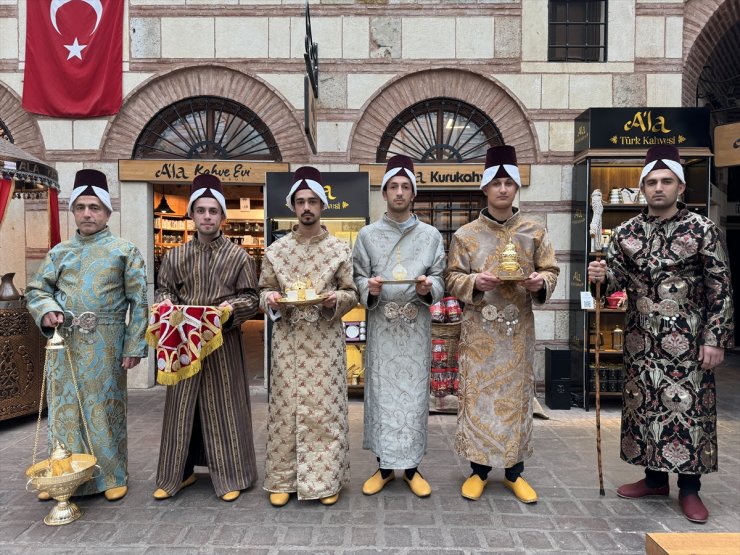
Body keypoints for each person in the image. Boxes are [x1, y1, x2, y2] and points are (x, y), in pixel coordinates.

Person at [587, 145, 733, 523]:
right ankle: (654, 479)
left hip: (688, 339)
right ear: (642, 188)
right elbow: (617, 281)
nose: (658, 188)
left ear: (680, 187)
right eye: (651, 182)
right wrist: (603, 278)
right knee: (644, 405)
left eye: (666, 181)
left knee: (688, 410)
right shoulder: (626, 233)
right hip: (640, 340)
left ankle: (689, 488)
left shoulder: (703, 230)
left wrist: (716, 338)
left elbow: (721, 287)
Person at [445, 145, 559, 503]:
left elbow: (552, 271)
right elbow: (450, 278)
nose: (503, 189)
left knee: (517, 400)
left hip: (516, 332)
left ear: (516, 189)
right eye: (496, 183)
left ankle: (514, 472)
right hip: (480, 332)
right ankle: (478, 471)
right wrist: (473, 283)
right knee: (478, 399)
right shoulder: (465, 235)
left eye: (509, 182)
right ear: (485, 188)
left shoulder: (534, 232)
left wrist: (541, 283)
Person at [26, 169, 148, 501]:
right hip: (63, 343)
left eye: (94, 207)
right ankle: (63, 475)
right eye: (80, 207)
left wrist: (134, 343)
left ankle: (111, 475)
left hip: (105, 343)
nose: (87, 214)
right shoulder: (59, 252)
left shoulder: (125, 251)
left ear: (108, 212)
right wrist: (47, 309)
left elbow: (139, 301)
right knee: (65, 410)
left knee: (102, 409)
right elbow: (37, 290)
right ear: (73, 211)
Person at [152, 174, 260, 502]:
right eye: (201, 210)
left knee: (224, 405)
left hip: (222, 344)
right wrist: (166, 302)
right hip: (183, 343)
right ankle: (178, 474)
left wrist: (230, 310)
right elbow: (164, 290)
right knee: (181, 408)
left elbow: (251, 298)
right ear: (193, 215)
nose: (207, 217)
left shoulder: (239, 257)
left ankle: (231, 476)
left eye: (213, 211)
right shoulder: (174, 256)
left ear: (222, 216)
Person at [259, 166, 359, 507]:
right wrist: (270, 299)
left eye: (312, 201)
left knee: (325, 411)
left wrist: (337, 300)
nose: (306, 207)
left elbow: (352, 291)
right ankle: (282, 481)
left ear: (322, 205)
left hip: (325, 340)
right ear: (292, 206)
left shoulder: (339, 249)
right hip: (287, 341)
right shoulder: (276, 250)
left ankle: (325, 482)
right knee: (286, 410)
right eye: (300, 201)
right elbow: (265, 290)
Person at [352, 154, 445, 498]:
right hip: (383, 327)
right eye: (394, 186)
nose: (400, 192)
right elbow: (357, 277)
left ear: (414, 193)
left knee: (413, 398)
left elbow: (440, 278)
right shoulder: (367, 235)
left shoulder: (431, 235)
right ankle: (384, 468)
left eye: (406, 186)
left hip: (415, 328)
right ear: (385, 192)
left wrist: (428, 288)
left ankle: (413, 468)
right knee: (383, 397)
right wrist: (369, 289)